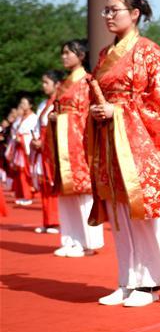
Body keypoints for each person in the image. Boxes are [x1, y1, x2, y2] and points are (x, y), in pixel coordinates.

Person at [87, 0, 160, 307]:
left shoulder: (149, 51)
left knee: (141, 212)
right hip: (112, 141)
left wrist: (120, 111)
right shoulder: (103, 55)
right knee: (119, 210)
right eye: (106, 11)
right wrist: (99, 112)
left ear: (135, 13)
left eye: (115, 10)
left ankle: (149, 283)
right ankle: (127, 279)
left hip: (140, 143)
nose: (109, 16)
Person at [49, 40, 104, 257]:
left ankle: (88, 242)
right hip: (63, 141)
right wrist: (55, 118)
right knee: (66, 193)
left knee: (83, 192)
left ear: (80, 55)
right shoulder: (63, 83)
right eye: (62, 53)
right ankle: (70, 239)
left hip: (79, 141)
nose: (64, 57)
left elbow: (88, 113)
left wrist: (64, 119)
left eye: (68, 53)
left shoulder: (88, 81)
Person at [33, 70, 63, 234]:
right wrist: (35, 141)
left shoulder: (60, 102)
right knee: (45, 183)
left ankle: (55, 221)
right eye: (43, 82)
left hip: (53, 148)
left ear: (57, 84)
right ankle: (47, 220)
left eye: (47, 82)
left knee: (53, 182)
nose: (43, 86)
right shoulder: (43, 104)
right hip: (43, 148)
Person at [6, 96, 38, 205]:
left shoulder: (34, 118)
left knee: (26, 172)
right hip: (18, 149)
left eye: (25, 103)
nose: (22, 105)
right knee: (19, 173)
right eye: (21, 103)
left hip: (26, 148)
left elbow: (34, 133)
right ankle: (20, 194)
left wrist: (23, 139)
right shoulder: (20, 118)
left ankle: (28, 195)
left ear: (30, 105)